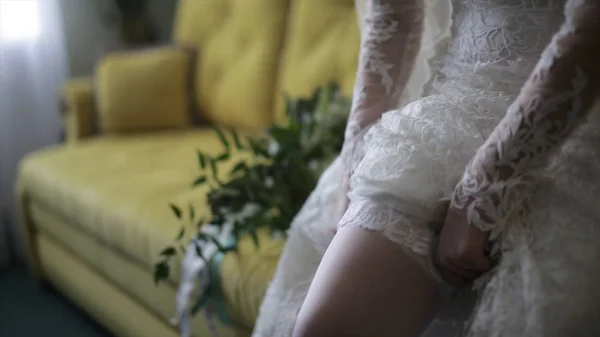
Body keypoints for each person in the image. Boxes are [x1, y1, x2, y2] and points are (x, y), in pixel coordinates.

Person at [254, 0, 600, 336]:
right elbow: (394, 17)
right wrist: (355, 164)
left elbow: (589, 31)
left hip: (571, 128)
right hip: (446, 120)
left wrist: (486, 188)